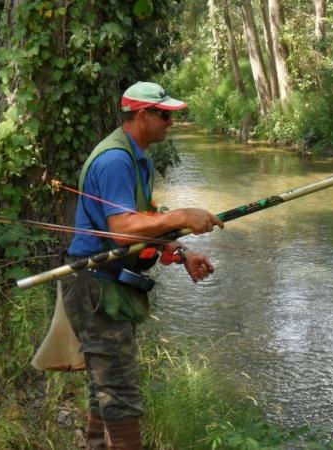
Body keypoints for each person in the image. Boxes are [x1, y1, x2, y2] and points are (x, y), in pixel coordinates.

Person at [62, 81, 223, 449]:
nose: (171, 122)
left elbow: (144, 220)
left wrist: (180, 252)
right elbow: (122, 231)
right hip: (95, 285)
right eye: (164, 115)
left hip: (109, 283)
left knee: (106, 383)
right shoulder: (116, 160)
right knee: (119, 391)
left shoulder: (138, 157)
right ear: (142, 115)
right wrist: (181, 214)